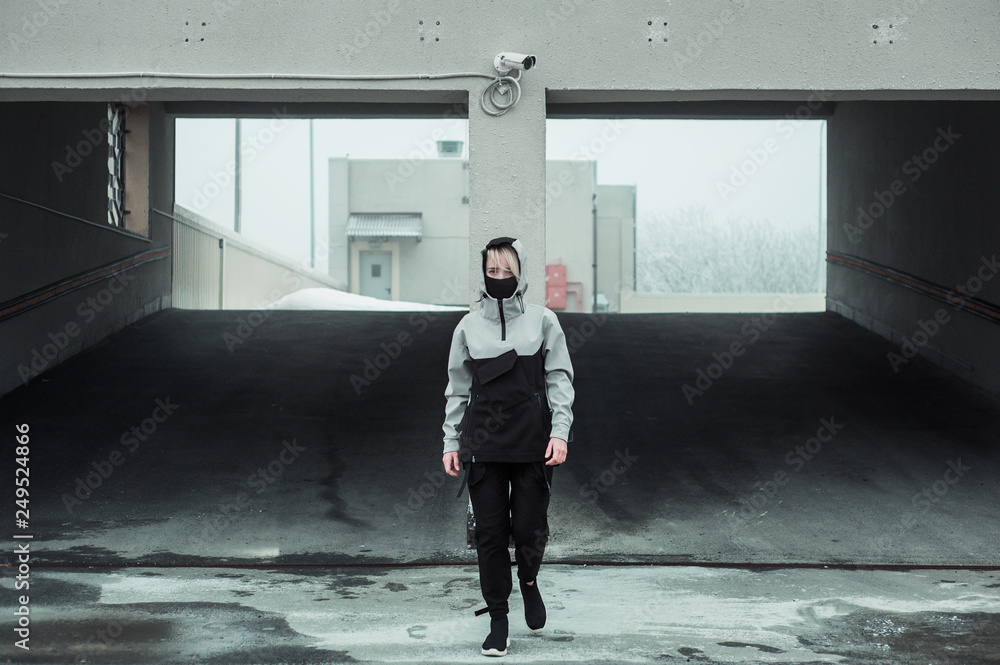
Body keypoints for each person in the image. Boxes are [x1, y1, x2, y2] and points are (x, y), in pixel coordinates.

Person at [441, 236, 575, 657]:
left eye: (507, 270)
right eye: (491, 270)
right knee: (491, 536)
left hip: (533, 444)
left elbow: (559, 379)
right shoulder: (467, 326)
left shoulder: (543, 320)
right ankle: (498, 618)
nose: (499, 277)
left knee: (529, 529)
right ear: (483, 274)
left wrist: (560, 431)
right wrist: (450, 441)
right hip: (483, 446)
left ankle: (530, 581)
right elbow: (457, 389)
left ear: (521, 274)